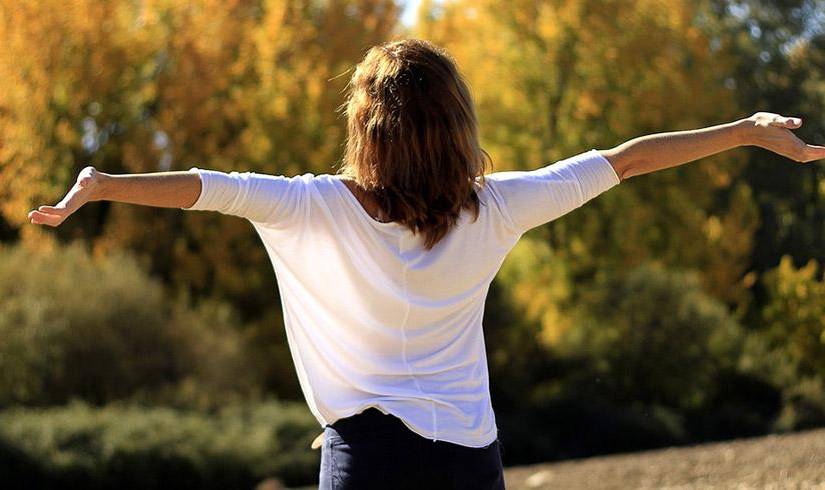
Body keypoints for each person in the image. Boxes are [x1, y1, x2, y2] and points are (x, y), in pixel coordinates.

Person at [27, 38, 825, 489]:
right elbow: (623, 160)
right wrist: (744, 128)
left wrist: (102, 186)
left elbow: (206, 189)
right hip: (468, 467)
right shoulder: (496, 206)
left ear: (364, 128)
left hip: (367, 466)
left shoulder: (314, 206)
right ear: (455, 125)